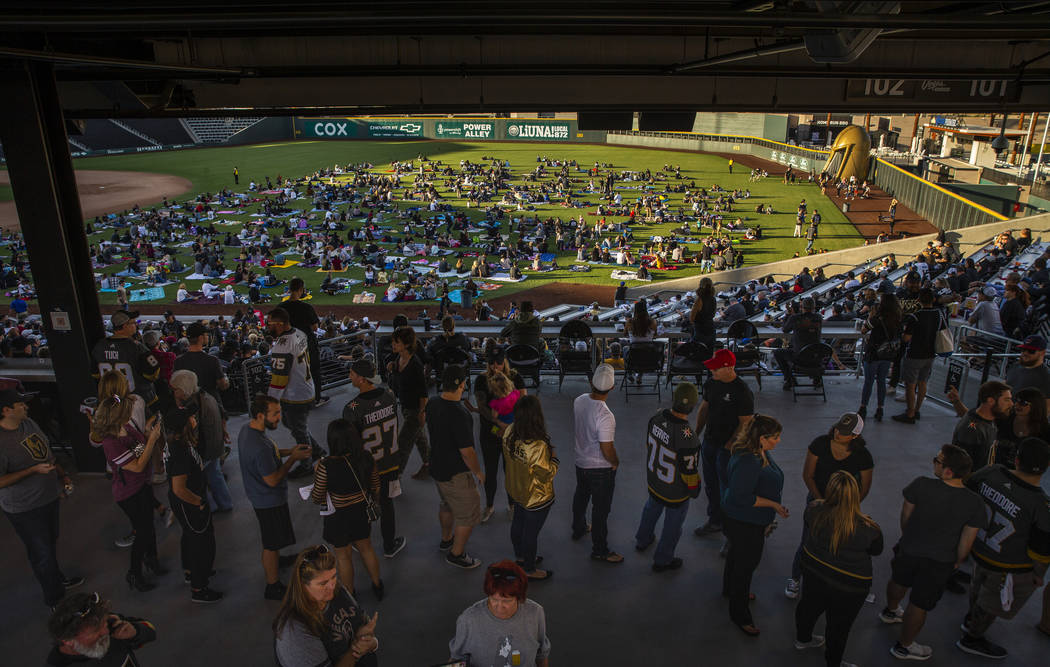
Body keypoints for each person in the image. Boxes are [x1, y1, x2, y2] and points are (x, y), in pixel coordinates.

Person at [881, 444, 986, 661]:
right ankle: (904, 646)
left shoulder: (921, 485)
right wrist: (958, 560)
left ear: (948, 471)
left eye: (937, 460)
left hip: (909, 548)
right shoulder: (974, 503)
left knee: (898, 581)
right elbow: (967, 539)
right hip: (939, 560)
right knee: (919, 604)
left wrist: (908, 537)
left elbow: (905, 516)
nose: (934, 463)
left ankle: (890, 611)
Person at [956, 437, 1050, 659]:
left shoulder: (992, 472)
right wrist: (1038, 575)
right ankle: (973, 638)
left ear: (1016, 459)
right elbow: (1042, 550)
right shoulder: (1041, 505)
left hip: (978, 548)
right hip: (1008, 564)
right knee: (992, 602)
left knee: (977, 585)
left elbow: (966, 490)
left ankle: (970, 620)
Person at [0, 388, 82, 609]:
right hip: (24, 508)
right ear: (6, 411)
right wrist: (32, 471)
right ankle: (55, 598)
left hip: (48, 497)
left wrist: (62, 476)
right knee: (41, 551)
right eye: (20, 405)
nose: (26, 406)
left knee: (49, 542)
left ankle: (55, 578)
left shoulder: (29, 424)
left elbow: (46, 453)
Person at [794, 472, 883, 667]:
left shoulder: (813, 509)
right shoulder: (868, 527)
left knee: (808, 607)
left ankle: (803, 639)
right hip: (850, 584)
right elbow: (876, 550)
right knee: (839, 626)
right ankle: (832, 663)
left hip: (814, 570)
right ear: (855, 495)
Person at [785, 412, 873, 600]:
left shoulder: (862, 456)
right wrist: (820, 502)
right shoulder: (820, 444)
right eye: (838, 427)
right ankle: (795, 578)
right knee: (808, 539)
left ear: (855, 436)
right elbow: (808, 475)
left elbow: (864, 488)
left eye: (844, 432)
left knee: (841, 542)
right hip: (817, 500)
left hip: (845, 506)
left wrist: (848, 506)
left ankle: (834, 579)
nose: (837, 433)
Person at [238, 394, 312, 600]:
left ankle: (277, 560)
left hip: (259, 497)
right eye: (275, 414)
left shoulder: (248, 430)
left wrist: (290, 451)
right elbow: (272, 479)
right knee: (270, 544)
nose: (279, 417)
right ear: (261, 415)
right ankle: (273, 585)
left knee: (273, 540)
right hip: (268, 500)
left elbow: (272, 452)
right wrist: (293, 460)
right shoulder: (259, 446)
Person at [90, 393, 165, 593]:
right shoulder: (111, 443)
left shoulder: (127, 428)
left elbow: (139, 451)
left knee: (148, 527)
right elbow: (138, 465)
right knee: (142, 532)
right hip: (129, 493)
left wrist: (148, 436)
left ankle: (152, 560)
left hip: (142, 485)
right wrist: (152, 441)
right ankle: (134, 573)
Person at [721, 415, 786, 636]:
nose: (778, 441)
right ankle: (740, 615)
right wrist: (774, 505)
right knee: (745, 567)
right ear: (761, 438)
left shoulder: (757, 451)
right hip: (745, 522)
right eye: (775, 437)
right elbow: (742, 497)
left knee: (735, 555)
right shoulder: (750, 461)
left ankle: (729, 589)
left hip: (740, 519)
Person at [311, 419, 384, 599]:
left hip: (338, 517)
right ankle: (377, 584)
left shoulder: (325, 465)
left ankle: (351, 594)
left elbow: (317, 497)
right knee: (367, 548)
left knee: (343, 556)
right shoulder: (366, 457)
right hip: (360, 512)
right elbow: (375, 486)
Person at [273, 545, 379, 667]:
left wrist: (372, 642)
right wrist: (355, 650)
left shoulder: (337, 590)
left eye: (334, 577)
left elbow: (361, 623)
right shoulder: (294, 631)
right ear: (302, 585)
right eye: (322, 583)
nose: (332, 586)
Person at [343, 358, 406, 559]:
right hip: (389, 461)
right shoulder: (389, 395)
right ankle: (389, 544)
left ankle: (359, 539)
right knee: (387, 504)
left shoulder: (352, 408)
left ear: (361, 379)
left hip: (366, 466)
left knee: (362, 502)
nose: (350, 376)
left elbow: (350, 443)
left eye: (352, 373)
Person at [635, 382, 702, 572]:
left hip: (655, 479)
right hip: (675, 491)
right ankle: (663, 559)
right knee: (673, 525)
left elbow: (649, 444)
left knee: (651, 508)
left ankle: (642, 539)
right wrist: (694, 490)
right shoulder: (689, 437)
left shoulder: (656, 418)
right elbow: (689, 472)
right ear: (693, 406)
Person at [427, 364, 484, 569]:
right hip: (456, 473)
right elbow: (467, 452)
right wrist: (478, 471)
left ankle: (446, 539)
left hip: (437, 467)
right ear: (461, 384)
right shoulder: (460, 414)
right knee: (468, 514)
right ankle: (456, 554)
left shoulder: (433, 403)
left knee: (446, 504)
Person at [163, 403, 221, 603]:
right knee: (201, 542)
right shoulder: (180, 451)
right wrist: (199, 502)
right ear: (184, 425)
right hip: (191, 504)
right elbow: (179, 488)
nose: (194, 418)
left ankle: (191, 571)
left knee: (190, 537)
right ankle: (199, 587)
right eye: (191, 417)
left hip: (187, 504)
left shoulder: (180, 443)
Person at [693, 349, 754, 537]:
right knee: (711, 485)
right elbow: (704, 409)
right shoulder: (711, 384)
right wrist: (697, 433)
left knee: (728, 489)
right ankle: (715, 521)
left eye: (716, 368)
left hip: (728, 449)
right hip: (709, 442)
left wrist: (730, 445)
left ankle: (731, 532)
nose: (712, 372)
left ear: (729, 368)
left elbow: (746, 423)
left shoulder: (742, 392)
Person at [448, 561, 551, 667]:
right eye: (494, 599)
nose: (499, 606)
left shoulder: (535, 613)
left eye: (507, 601)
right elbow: (456, 658)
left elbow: (542, 654)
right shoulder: (468, 619)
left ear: (519, 597)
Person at [571, 364, 623, 563]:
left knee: (581, 496)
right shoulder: (606, 415)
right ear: (612, 388)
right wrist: (615, 462)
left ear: (591, 382)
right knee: (601, 510)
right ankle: (600, 550)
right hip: (600, 469)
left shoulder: (579, 401)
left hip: (580, 462)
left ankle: (579, 528)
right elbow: (606, 448)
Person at [503, 395, 558, 580]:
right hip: (536, 497)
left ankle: (520, 556)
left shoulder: (510, 432)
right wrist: (555, 459)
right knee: (531, 533)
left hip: (515, 489)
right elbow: (546, 474)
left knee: (518, 523)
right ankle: (529, 568)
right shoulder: (537, 445)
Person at [266, 307, 323, 478]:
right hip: (306, 387)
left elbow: (278, 380)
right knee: (294, 425)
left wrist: (270, 402)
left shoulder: (281, 347)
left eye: (270, 324)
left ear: (280, 324)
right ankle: (317, 450)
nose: (268, 327)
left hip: (295, 395)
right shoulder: (299, 334)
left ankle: (306, 464)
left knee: (298, 429)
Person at [169, 369, 233, 513]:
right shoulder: (205, 395)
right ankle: (225, 503)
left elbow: (193, 433)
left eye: (175, 389)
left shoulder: (193, 405)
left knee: (199, 481)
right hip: (215, 446)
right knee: (215, 476)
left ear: (183, 390)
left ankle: (205, 507)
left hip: (205, 450)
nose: (172, 392)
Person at [46, 592, 157, 666]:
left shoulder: (112, 625)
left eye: (104, 624)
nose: (106, 632)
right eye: (95, 631)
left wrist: (136, 632)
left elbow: (151, 633)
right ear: (67, 640)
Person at [893, 289, 944, 424]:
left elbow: (906, 338)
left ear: (918, 300)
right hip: (931, 353)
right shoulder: (939, 314)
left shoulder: (915, 316)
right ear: (933, 299)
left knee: (910, 384)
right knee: (923, 382)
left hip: (914, 354)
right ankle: (917, 410)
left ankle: (909, 413)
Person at [386, 325, 430, 480]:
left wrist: (422, 412)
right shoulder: (399, 359)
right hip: (405, 406)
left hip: (414, 410)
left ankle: (395, 477)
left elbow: (424, 392)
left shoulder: (415, 365)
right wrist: (393, 369)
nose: (393, 344)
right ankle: (429, 465)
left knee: (403, 443)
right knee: (419, 438)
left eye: (396, 342)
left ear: (406, 345)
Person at [281, 277, 327, 407]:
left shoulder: (282, 307)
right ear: (301, 290)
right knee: (313, 371)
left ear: (289, 289)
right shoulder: (306, 307)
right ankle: (316, 398)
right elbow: (314, 327)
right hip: (306, 344)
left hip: (289, 345)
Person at [858, 293, 902, 421]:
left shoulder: (877, 318)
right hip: (887, 354)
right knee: (881, 381)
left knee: (869, 381)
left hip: (873, 353)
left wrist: (871, 315)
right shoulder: (897, 319)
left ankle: (863, 407)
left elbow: (863, 330)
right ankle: (880, 409)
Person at [952, 380, 1012, 469]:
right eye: (1007, 400)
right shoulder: (972, 431)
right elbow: (961, 467)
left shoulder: (987, 417)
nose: (1011, 404)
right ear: (991, 401)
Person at [173, 321, 230, 413]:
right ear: (200, 338)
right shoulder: (212, 360)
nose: (208, 337)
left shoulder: (178, 361)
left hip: (188, 408)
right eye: (206, 335)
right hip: (212, 407)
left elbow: (176, 387)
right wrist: (226, 379)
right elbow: (222, 385)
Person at [773, 297, 822, 390]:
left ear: (801, 306)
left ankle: (789, 379)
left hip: (799, 358)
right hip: (815, 359)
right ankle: (817, 379)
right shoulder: (818, 318)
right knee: (810, 350)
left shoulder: (795, 318)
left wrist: (788, 315)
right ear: (814, 307)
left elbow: (785, 329)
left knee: (777, 352)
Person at [1005, 334, 1050, 410]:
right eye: (1023, 349)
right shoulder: (1015, 366)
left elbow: (1047, 408)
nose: (1025, 353)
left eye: (1031, 351)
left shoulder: (1047, 376)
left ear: (1042, 353)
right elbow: (1006, 386)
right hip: (1005, 415)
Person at [689, 277, 717, 354]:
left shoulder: (699, 300)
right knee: (708, 355)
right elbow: (713, 314)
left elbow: (692, 318)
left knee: (697, 354)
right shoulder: (713, 299)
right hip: (711, 330)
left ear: (700, 286)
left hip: (700, 331)